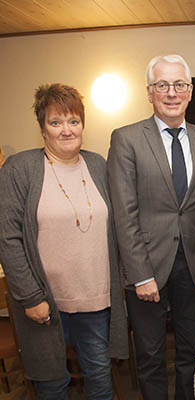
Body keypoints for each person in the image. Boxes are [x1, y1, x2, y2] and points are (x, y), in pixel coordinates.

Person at [107, 54, 195, 400]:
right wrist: (140, 274)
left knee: (191, 355)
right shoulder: (126, 139)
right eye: (162, 85)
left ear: (190, 91)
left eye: (179, 85)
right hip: (146, 267)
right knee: (150, 358)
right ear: (149, 92)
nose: (171, 93)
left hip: (193, 266)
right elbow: (124, 213)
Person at [0, 83, 128, 399]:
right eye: (55, 123)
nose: (66, 130)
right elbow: (8, 237)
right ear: (42, 129)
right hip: (46, 303)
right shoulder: (21, 168)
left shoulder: (97, 164)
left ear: (83, 125)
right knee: (52, 382)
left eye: (73, 121)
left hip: (96, 300)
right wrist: (31, 297)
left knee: (100, 377)